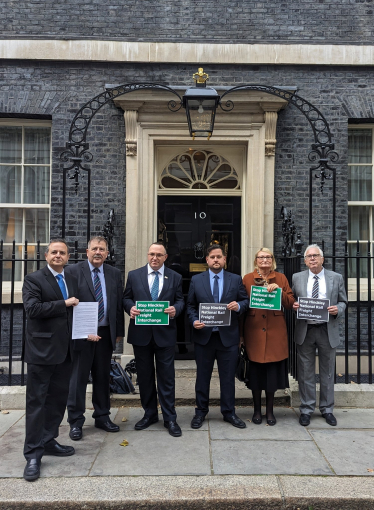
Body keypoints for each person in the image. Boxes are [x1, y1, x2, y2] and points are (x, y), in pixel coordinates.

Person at [22, 239, 80, 481]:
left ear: (67, 257)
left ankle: (48, 440)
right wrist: (63, 303)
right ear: (46, 255)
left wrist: (85, 330)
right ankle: (33, 455)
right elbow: (32, 309)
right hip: (41, 352)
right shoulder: (34, 279)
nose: (58, 256)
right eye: (54, 252)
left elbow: (75, 313)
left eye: (62, 253)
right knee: (37, 404)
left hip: (65, 352)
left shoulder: (71, 279)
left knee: (57, 401)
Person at [123, 242, 185, 437]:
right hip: (141, 334)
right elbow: (126, 298)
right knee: (145, 376)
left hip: (165, 334)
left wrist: (176, 309)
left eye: (159, 255)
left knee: (167, 377)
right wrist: (130, 308)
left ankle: (170, 418)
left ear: (165, 257)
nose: (154, 258)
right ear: (147, 255)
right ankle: (149, 414)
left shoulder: (175, 276)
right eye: (151, 254)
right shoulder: (134, 275)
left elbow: (180, 300)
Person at [66, 236, 124, 441]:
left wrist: (119, 332)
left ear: (107, 253)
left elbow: (117, 305)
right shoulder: (72, 271)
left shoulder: (114, 273)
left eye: (102, 249)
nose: (98, 252)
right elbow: (67, 302)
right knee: (78, 379)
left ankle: (102, 416)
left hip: (105, 332)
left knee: (102, 377)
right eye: (94, 249)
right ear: (87, 251)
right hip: (81, 333)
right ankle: (75, 421)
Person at [187, 245, 249, 429]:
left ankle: (229, 412)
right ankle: (200, 412)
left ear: (224, 259)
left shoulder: (235, 279)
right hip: (204, 337)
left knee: (228, 377)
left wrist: (238, 306)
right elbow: (190, 305)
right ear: (207, 260)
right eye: (212, 257)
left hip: (228, 337)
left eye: (219, 257)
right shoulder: (197, 280)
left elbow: (245, 301)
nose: (216, 260)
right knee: (202, 377)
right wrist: (194, 320)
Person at [292, 244, 347, 427]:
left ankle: (327, 409)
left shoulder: (336, 277)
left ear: (322, 259)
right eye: (309, 256)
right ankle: (306, 409)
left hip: (326, 329)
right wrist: (294, 305)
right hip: (305, 330)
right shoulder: (297, 278)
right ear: (305, 260)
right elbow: (292, 299)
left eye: (316, 256)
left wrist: (336, 309)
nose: (313, 259)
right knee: (305, 372)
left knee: (328, 372)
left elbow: (343, 302)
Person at [240, 248, 295, 426]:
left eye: (268, 257)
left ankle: (270, 411)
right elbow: (242, 306)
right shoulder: (247, 279)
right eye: (261, 257)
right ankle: (256, 410)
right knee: (255, 374)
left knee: (271, 375)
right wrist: (240, 335)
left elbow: (290, 303)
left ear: (272, 260)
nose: (265, 260)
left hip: (275, 332)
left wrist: (279, 290)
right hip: (253, 331)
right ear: (256, 261)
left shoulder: (281, 278)